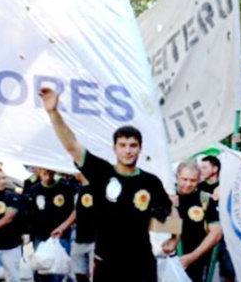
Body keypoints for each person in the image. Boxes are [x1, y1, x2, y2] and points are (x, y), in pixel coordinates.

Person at [39, 87, 172, 282]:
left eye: (133, 145)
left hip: (142, 264)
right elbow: (72, 145)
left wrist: (174, 238)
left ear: (140, 149)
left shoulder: (151, 182)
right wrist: (53, 113)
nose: (128, 151)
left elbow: (167, 212)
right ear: (115, 148)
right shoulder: (101, 173)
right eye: (123, 145)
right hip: (107, 264)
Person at [174, 161, 222, 282]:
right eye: (184, 179)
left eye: (193, 180)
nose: (188, 184)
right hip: (170, 260)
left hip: (197, 261)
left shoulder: (205, 199)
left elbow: (216, 233)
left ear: (199, 180)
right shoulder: (166, 197)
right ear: (177, 177)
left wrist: (193, 256)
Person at [27, 167, 77, 282]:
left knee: (60, 267)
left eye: (50, 173)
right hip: (41, 235)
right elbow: (30, 213)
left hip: (61, 235)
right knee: (41, 266)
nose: (48, 177)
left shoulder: (66, 188)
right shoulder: (34, 190)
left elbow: (73, 210)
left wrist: (65, 227)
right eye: (45, 174)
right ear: (39, 173)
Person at [70, 173, 96, 282]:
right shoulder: (79, 192)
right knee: (78, 271)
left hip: (96, 238)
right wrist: (62, 227)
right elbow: (76, 213)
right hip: (80, 237)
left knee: (95, 273)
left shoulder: (99, 189)